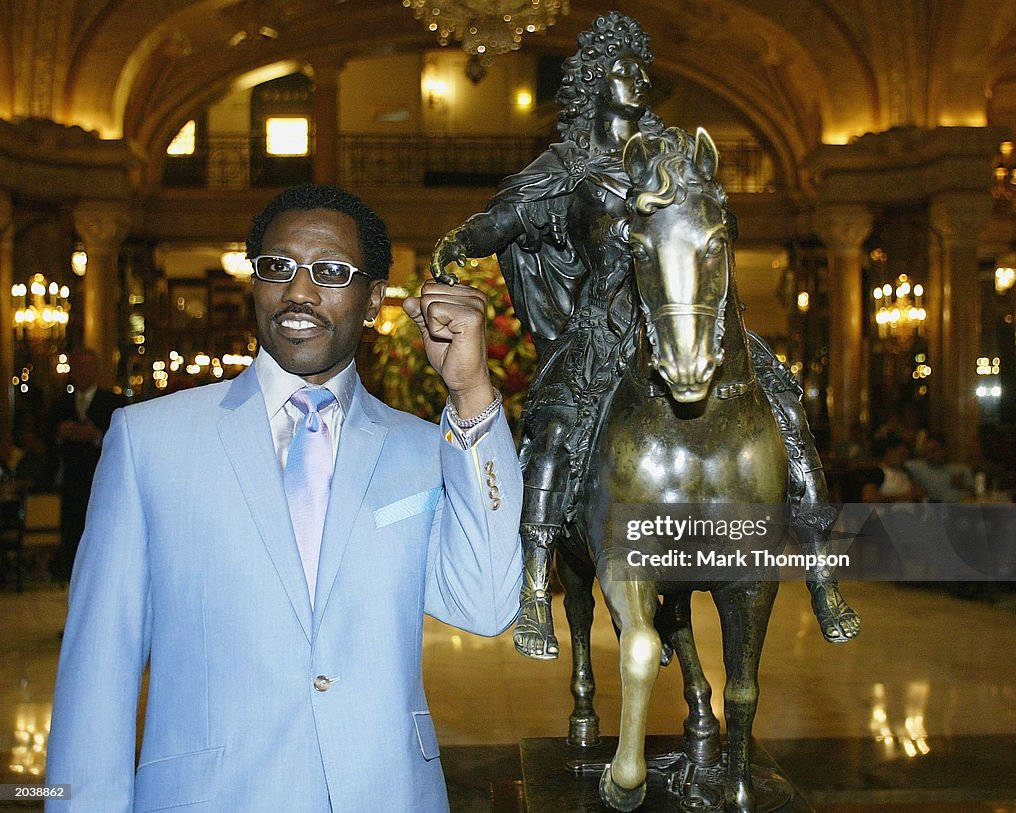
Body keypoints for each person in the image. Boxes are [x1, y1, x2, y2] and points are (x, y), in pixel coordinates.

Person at [46, 183, 523, 813]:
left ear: (373, 299)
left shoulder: (422, 450)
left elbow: (487, 604)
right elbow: (97, 672)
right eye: (278, 267)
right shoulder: (150, 442)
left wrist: (471, 393)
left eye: (330, 272)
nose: (299, 291)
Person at [432, 12, 858, 658]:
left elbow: (714, 218)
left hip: (687, 316)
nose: (636, 79)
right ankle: (535, 587)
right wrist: (463, 239)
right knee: (554, 427)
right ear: (593, 83)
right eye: (620, 69)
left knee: (786, 408)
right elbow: (509, 217)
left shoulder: (673, 156)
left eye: (640, 69)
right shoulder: (568, 166)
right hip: (603, 325)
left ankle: (823, 576)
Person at [50, 348, 124, 583]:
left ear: (96, 370)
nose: (83, 372)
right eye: (78, 367)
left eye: (87, 366)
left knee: (99, 530)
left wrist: (96, 436)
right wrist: (61, 434)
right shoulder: (61, 403)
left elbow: (120, 440)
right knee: (72, 531)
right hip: (71, 480)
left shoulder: (112, 402)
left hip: (100, 480)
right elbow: (48, 440)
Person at [905, 432, 972, 502]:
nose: (929, 456)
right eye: (926, 451)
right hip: (933, 506)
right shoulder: (916, 467)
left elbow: (975, 494)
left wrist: (962, 485)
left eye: (933, 451)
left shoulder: (962, 469)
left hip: (960, 506)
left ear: (944, 450)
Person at [862, 437, 926, 502]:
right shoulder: (878, 472)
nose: (903, 459)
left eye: (906, 456)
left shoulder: (905, 472)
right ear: (890, 452)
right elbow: (868, 497)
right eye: (901, 454)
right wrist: (901, 497)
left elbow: (918, 492)